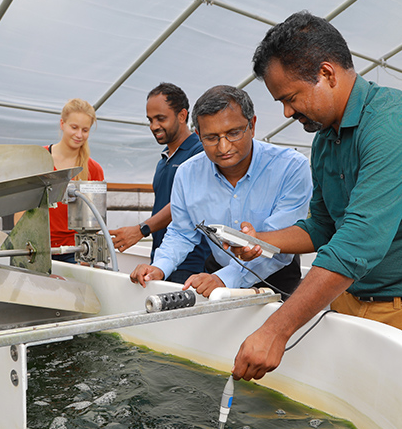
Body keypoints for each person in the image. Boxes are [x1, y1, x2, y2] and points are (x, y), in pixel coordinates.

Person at [231, 11, 402, 382]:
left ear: (327, 73)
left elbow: (360, 238)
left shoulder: (396, 121)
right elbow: (323, 226)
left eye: (291, 97)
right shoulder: (325, 139)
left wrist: (276, 329)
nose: (286, 111)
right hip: (351, 297)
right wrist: (262, 241)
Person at [129, 85, 312, 298]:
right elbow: (181, 233)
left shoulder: (290, 167)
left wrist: (225, 279)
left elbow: (278, 243)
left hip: (276, 277)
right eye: (211, 138)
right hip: (217, 273)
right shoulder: (188, 174)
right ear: (198, 135)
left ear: (252, 126)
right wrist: (159, 267)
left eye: (233, 133)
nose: (224, 147)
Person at [109, 83, 210, 284]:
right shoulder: (163, 161)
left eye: (160, 119)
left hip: (191, 264)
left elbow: (184, 205)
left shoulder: (200, 154)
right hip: (162, 261)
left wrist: (141, 229)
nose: (154, 126)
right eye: (150, 120)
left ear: (182, 116)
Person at [15, 98, 104, 263]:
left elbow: (94, 220)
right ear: (62, 124)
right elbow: (21, 208)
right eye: (74, 127)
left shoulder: (93, 169)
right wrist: (22, 246)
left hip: (75, 252)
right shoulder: (38, 160)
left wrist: (87, 258)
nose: (79, 135)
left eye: (85, 130)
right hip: (37, 249)